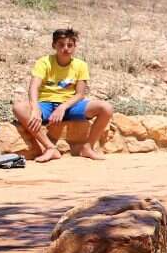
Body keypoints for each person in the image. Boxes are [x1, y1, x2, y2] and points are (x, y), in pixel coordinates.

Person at [11, 28, 114, 162]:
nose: (66, 48)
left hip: (70, 105)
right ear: (54, 45)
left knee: (106, 108)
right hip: (46, 104)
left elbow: (80, 94)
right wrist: (35, 108)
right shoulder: (44, 62)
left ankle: (88, 148)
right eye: (61, 44)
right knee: (19, 108)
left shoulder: (80, 65)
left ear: (75, 46)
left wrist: (62, 107)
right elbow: (33, 87)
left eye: (70, 45)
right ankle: (50, 148)